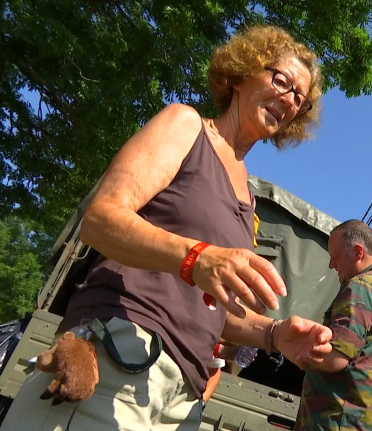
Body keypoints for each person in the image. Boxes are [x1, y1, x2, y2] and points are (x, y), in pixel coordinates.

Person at [2, 25, 334, 431]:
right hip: (116, 356)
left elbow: (212, 307)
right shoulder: (186, 126)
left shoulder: (248, 202)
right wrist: (196, 257)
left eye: (299, 98)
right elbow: (101, 219)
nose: (289, 99)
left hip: (182, 402)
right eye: (280, 80)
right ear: (244, 72)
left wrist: (275, 333)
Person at [294, 220, 372, 431]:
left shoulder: (361, 287)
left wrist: (283, 338)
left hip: (337, 420)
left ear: (358, 252)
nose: (331, 265)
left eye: (336, 257)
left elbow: (333, 358)